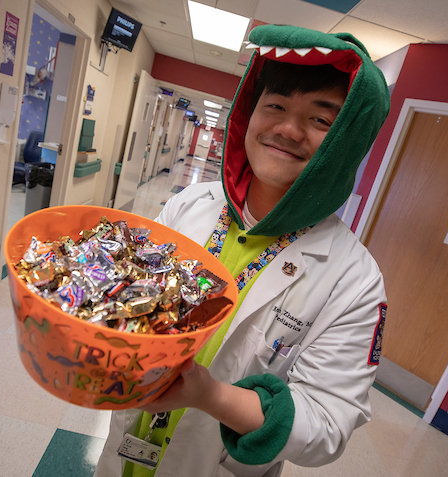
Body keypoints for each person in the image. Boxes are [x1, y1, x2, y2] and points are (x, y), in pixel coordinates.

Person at [94, 24, 390, 477]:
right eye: (274, 105)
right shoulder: (188, 205)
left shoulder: (354, 279)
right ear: (249, 113)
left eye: (321, 120)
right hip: (126, 449)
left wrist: (206, 396)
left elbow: (327, 427)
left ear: (346, 143)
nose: (287, 129)